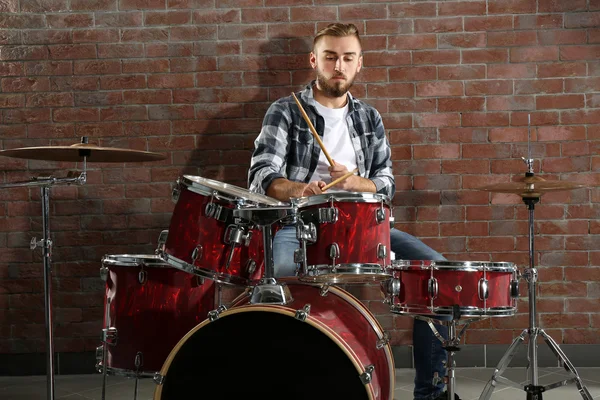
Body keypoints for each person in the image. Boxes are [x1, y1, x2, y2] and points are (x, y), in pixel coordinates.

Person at [248, 23, 452, 400]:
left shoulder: (368, 118)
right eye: (330, 57)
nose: (338, 65)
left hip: (366, 227)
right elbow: (261, 176)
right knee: (280, 294)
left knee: (440, 285)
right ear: (314, 61)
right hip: (300, 223)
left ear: (359, 64)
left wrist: (358, 182)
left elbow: (387, 181)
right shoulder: (286, 111)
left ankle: (431, 394)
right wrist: (300, 189)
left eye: (347, 57)